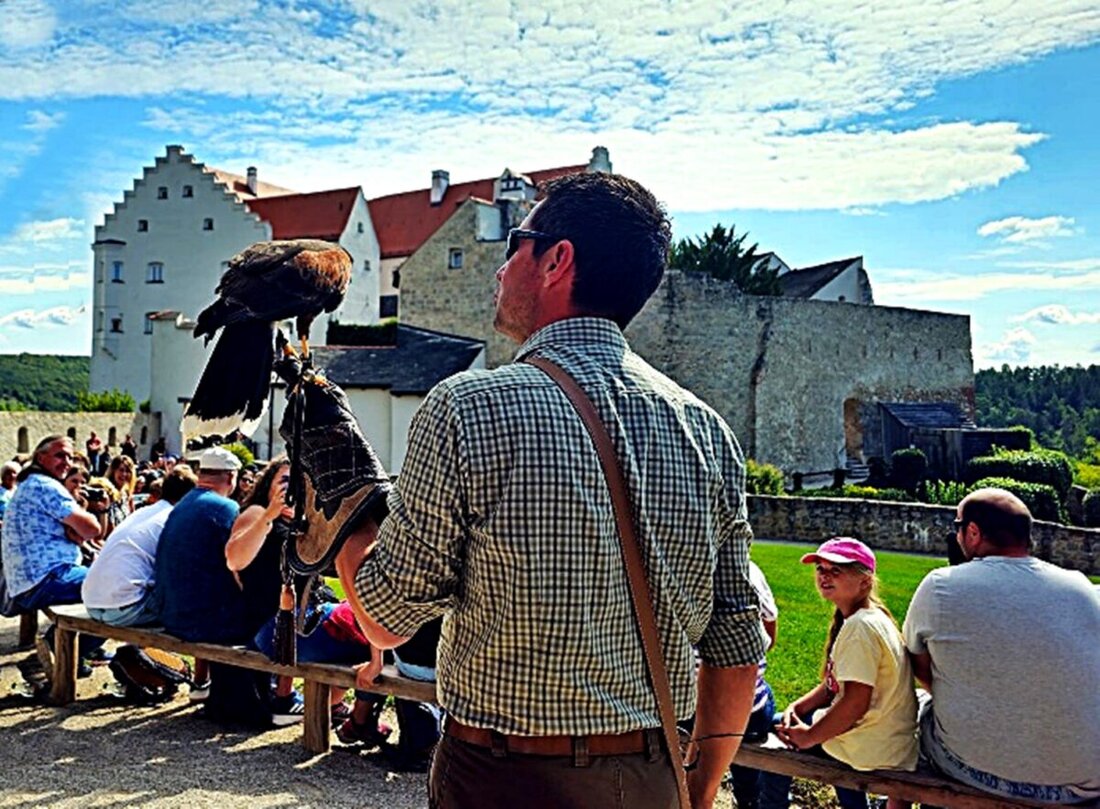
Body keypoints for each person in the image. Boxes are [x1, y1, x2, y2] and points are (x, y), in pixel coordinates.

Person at [282, 172, 765, 809]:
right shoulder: (709, 431)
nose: (501, 265)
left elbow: (384, 619)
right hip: (651, 775)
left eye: (516, 242)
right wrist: (697, 790)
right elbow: (736, 645)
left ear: (556, 259)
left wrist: (350, 504)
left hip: (502, 775)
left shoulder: (466, 406)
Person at [903, 488, 1100, 805]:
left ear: (973, 532)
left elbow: (921, 669)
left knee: (921, 712)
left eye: (958, 527)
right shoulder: (1082, 587)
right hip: (1083, 781)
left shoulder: (941, 586)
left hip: (979, 772)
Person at [763, 538, 917, 809]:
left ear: (865, 581)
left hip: (871, 746)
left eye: (837, 570)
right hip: (885, 739)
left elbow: (854, 703)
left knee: (778, 738)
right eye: (821, 569)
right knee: (796, 722)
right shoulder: (870, 617)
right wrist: (798, 707)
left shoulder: (859, 629)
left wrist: (809, 736)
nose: (825, 576)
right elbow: (833, 687)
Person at [1, 435, 107, 677]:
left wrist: (76, 529)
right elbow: (92, 530)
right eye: (60, 455)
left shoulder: (31, 484)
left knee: (107, 587)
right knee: (118, 589)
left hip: (28, 581)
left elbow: (79, 535)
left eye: (70, 456)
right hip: (45, 579)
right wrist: (85, 518)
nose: (67, 462)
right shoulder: (45, 486)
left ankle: (65, 650)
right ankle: (56, 648)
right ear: (41, 457)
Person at [81, 466, 198, 627]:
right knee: (194, 600)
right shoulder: (174, 519)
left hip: (92, 602)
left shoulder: (142, 512)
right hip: (127, 609)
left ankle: (129, 650)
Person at [149, 446, 242, 643]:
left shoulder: (182, 504)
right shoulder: (226, 507)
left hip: (170, 616)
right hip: (204, 623)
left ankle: (204, 675)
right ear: (231, 477)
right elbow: (239, 564)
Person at [0, 460, 20, 526]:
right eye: (8, 473)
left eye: (14, 473)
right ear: (2, 475)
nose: (11, 475)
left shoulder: (20, 491)